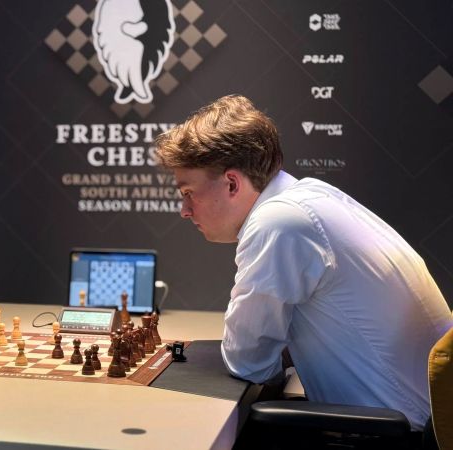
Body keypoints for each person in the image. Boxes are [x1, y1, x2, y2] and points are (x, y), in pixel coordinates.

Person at [155, 94, 452, 430]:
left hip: (390, 432)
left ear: (232, 183)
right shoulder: (311, 196)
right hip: (419, 418)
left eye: (188, 193)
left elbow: (247, 362)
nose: (185, 210)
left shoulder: (278, 222)